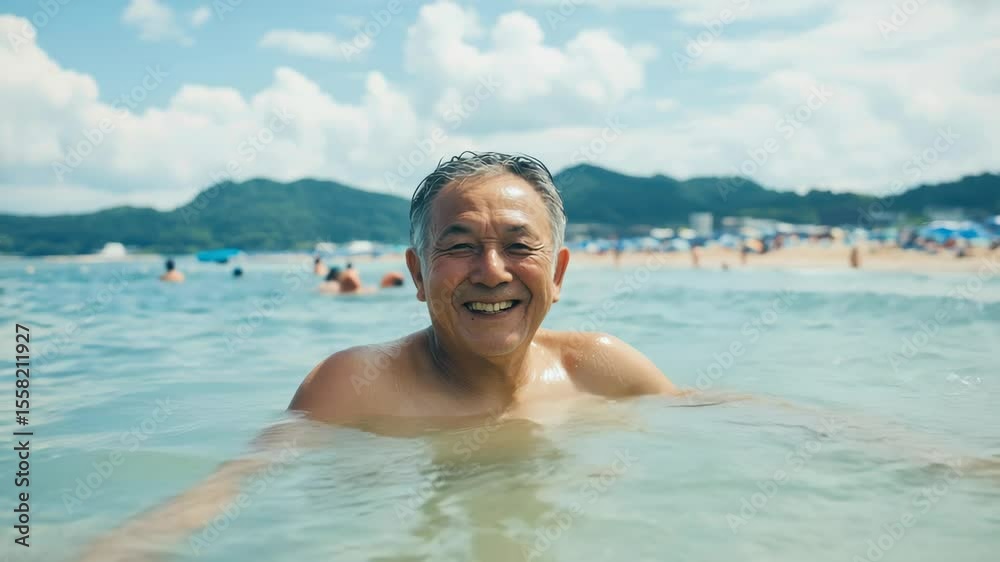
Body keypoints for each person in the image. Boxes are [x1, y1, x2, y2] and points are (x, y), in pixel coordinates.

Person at [76, 152, 681, 560]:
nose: (492, 272)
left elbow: (727, 419)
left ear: (558, 272)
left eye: (519, 246)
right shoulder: (354, 385)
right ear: (417, 274)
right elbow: (230, 488)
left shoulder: (600, 368)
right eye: (461, 246)